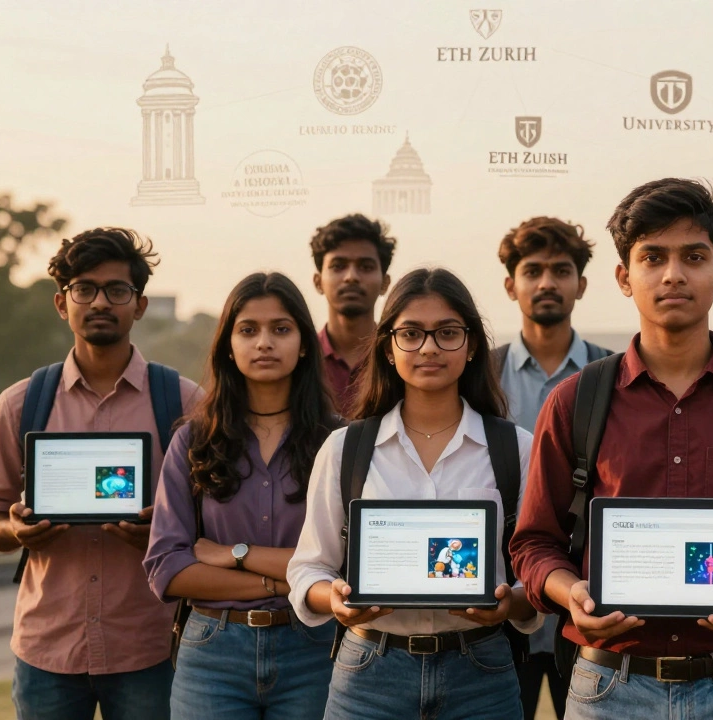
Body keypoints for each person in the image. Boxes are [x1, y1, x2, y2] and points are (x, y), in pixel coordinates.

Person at [510, 178, 713, 719]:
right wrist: (572, 596)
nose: (673, 274)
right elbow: (533, 544)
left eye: (693, 256)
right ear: (623, 276)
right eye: (652, 257)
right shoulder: (575, 402)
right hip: (607, 687)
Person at [287, 267, 542, 720]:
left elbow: (534, 572)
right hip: (369, 672)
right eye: (410, 333)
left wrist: (510, 603)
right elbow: (308, 569)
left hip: (481, 672)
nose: (428, 347)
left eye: (447, 333)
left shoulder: (516, 448)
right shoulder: (346, 448)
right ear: (388, 347)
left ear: (471, 347)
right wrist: (338, 601)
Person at [0, 228, 200, 719]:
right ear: (61, 304)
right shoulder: (21, 404)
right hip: (48, 645)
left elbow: (213, 522)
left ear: (140, 305)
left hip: (149, 646)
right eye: (83, 289)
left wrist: (161, 535)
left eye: (117, 290)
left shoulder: (185, 404)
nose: (100, 301)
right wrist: (17, 531)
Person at [144, 272, 341, 719]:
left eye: (281, 329)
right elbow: (167, 569)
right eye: (248, 330)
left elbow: (347, 565)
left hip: (315, 648)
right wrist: (283, 580)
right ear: (228, 346)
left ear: (305, 344)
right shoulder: (194, 440)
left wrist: (235, 553)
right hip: (213, 651)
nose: (264, 343)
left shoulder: (339, 442)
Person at [494, 216, 612, 720]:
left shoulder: (614, 377)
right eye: (533, 270)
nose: (546, 283)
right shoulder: (481, 375)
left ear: (580, 285)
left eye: (561, 271)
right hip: (498, 601)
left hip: (587, 605)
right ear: (510, 284)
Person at [309, 214, 396, 417]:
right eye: (338, 266)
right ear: (318, 281)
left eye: (365, 267)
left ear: (385, 283)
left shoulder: (400, 358)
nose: (351, 277)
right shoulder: (299, 359)